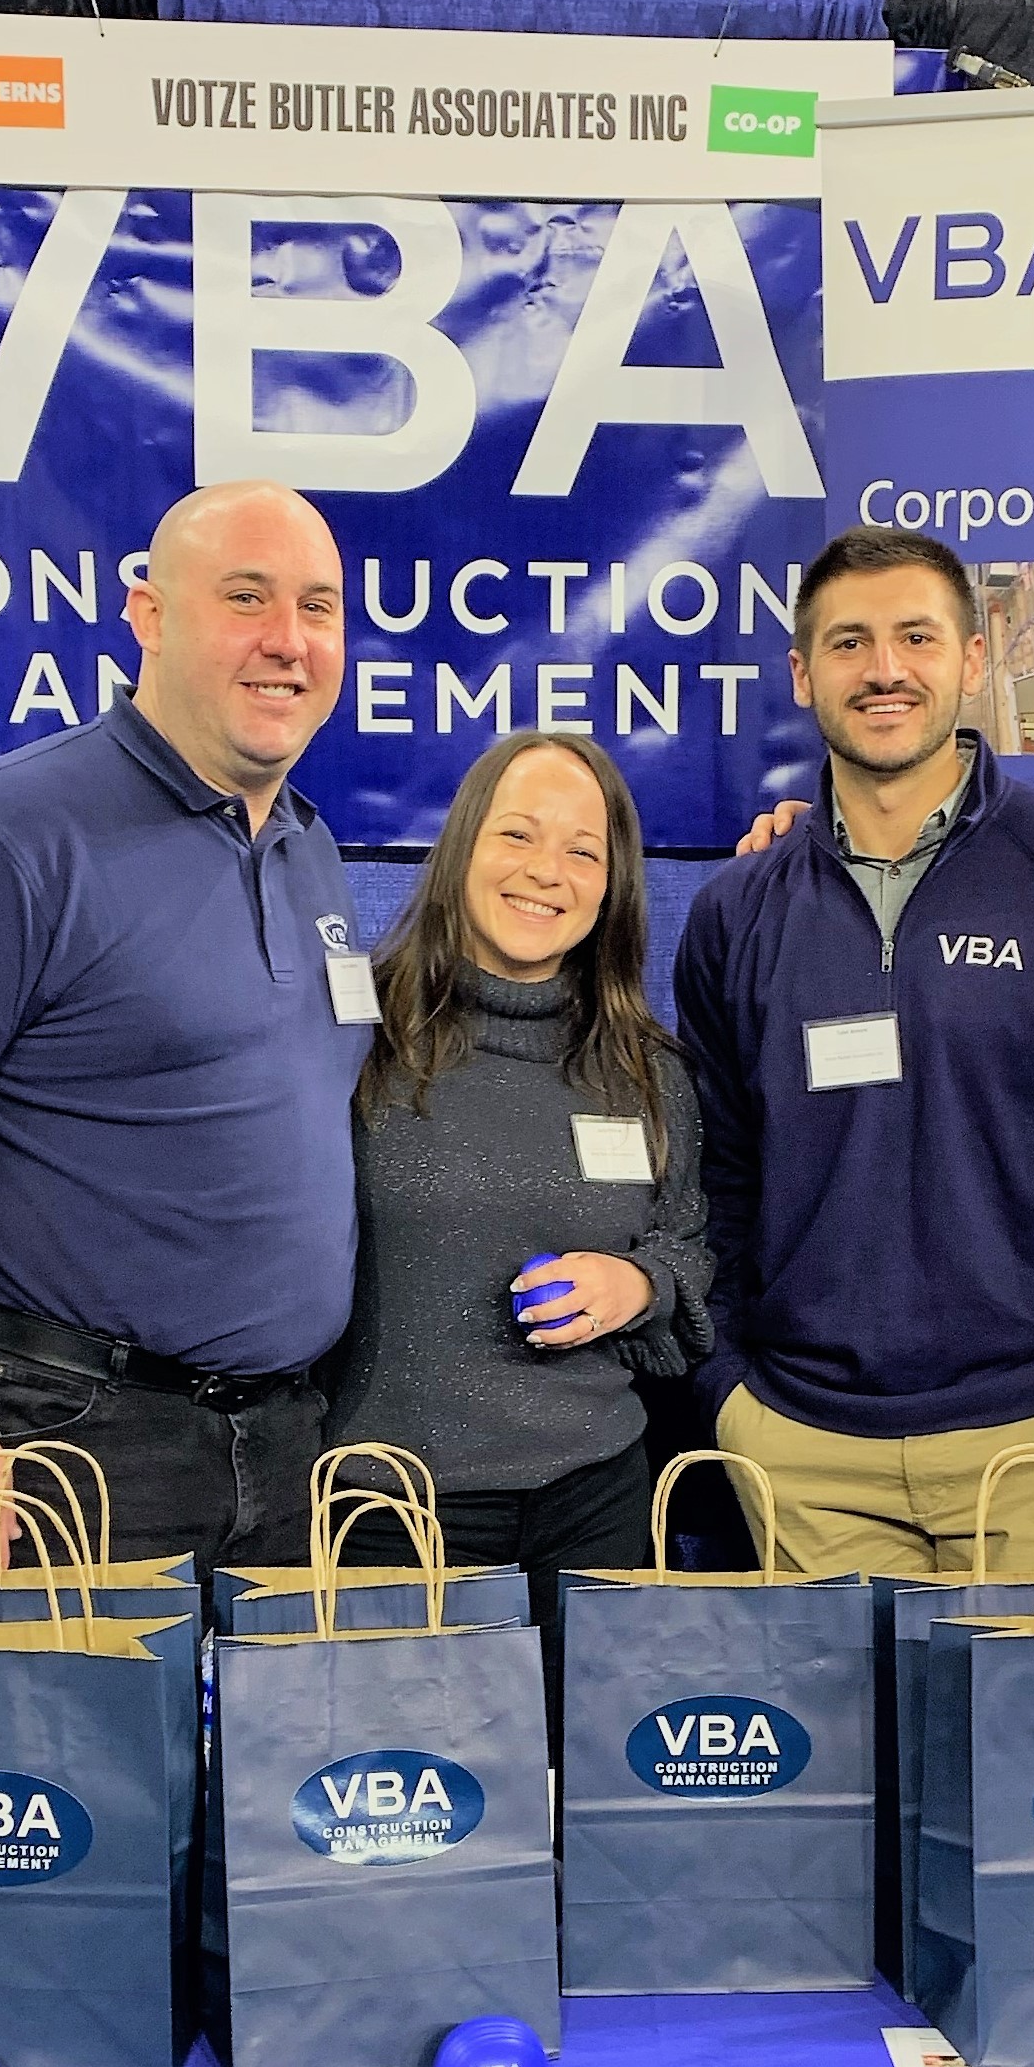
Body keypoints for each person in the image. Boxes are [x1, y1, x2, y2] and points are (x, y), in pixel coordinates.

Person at [0, 480, 367, 1577]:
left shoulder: (308, 846)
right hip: (70, 1446)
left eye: (317, 606)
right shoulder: (5, 832)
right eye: (245, 597)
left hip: (284, 1447)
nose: (287, 640)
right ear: (148, 616)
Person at [675, 525, 1034, 1579]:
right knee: (835, 1706)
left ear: (971, 659)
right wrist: (732, 1393)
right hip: (799, 1447)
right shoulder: (734, 911)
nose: (883, 669)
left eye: (916, 637)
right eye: (848, 642)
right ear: (802, 673)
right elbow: (718, 1173)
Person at [322, 731, 711, 1731]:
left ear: (612, 885)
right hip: (389, 1514)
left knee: (590, 1797)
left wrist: (639, 1287)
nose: (547, 870)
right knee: (408, 1804)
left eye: (583, 850)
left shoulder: (645, 1068)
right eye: (518, 834)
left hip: (595, 1508)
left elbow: (687, 1244)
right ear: (461, 847)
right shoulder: (352, 1040)